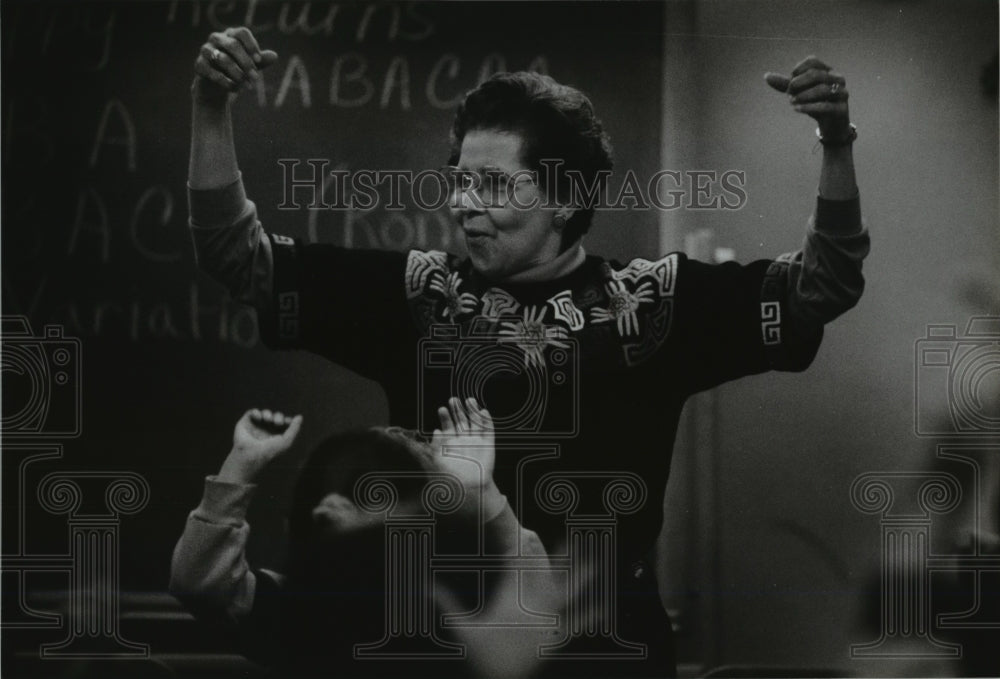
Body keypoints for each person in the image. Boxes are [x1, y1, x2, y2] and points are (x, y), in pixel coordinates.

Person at [187, 26, 870, 677]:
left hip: (607, 648)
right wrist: (211, 107)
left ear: (566, 197)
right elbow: (239, 259)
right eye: (458, 179)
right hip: (448, 643)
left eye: (492, 185)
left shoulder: (653, 304)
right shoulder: (420, 295)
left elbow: (822, 284)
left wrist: (835, 142)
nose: (463, 203)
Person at [170, 398, 557, 678]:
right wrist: (242, 462)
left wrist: (478, 491)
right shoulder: (304, 612)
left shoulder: (451, 617)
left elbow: (538, 617)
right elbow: (201, 583)